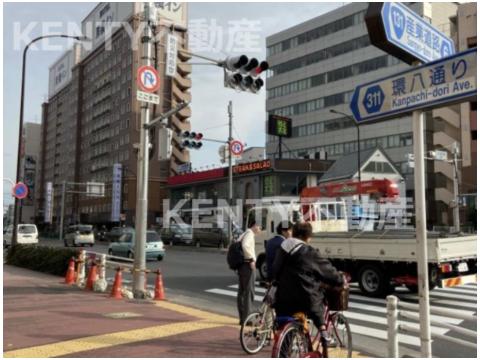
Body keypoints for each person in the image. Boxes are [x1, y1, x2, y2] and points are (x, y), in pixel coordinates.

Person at [272, 222, 343, 339]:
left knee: (285, 333)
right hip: (304, 298)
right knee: (317, 302)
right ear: (308, 237)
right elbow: (327, 270)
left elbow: (275, 270)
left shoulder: (282, 248)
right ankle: (324, 333)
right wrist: (340, 280)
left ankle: (283, 352)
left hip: (282, 297)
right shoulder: (308, 251)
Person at [237, 219, 261, 324]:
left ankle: (243, 318)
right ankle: (247, 319)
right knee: (248, 292)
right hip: (247, 265)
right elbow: (245, 246)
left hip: (242, 266)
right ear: (255, 226)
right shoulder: (249, 234)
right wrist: (251, 259)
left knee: (242, 292)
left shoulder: (244, 233)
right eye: (260, 227)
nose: (260, 230)